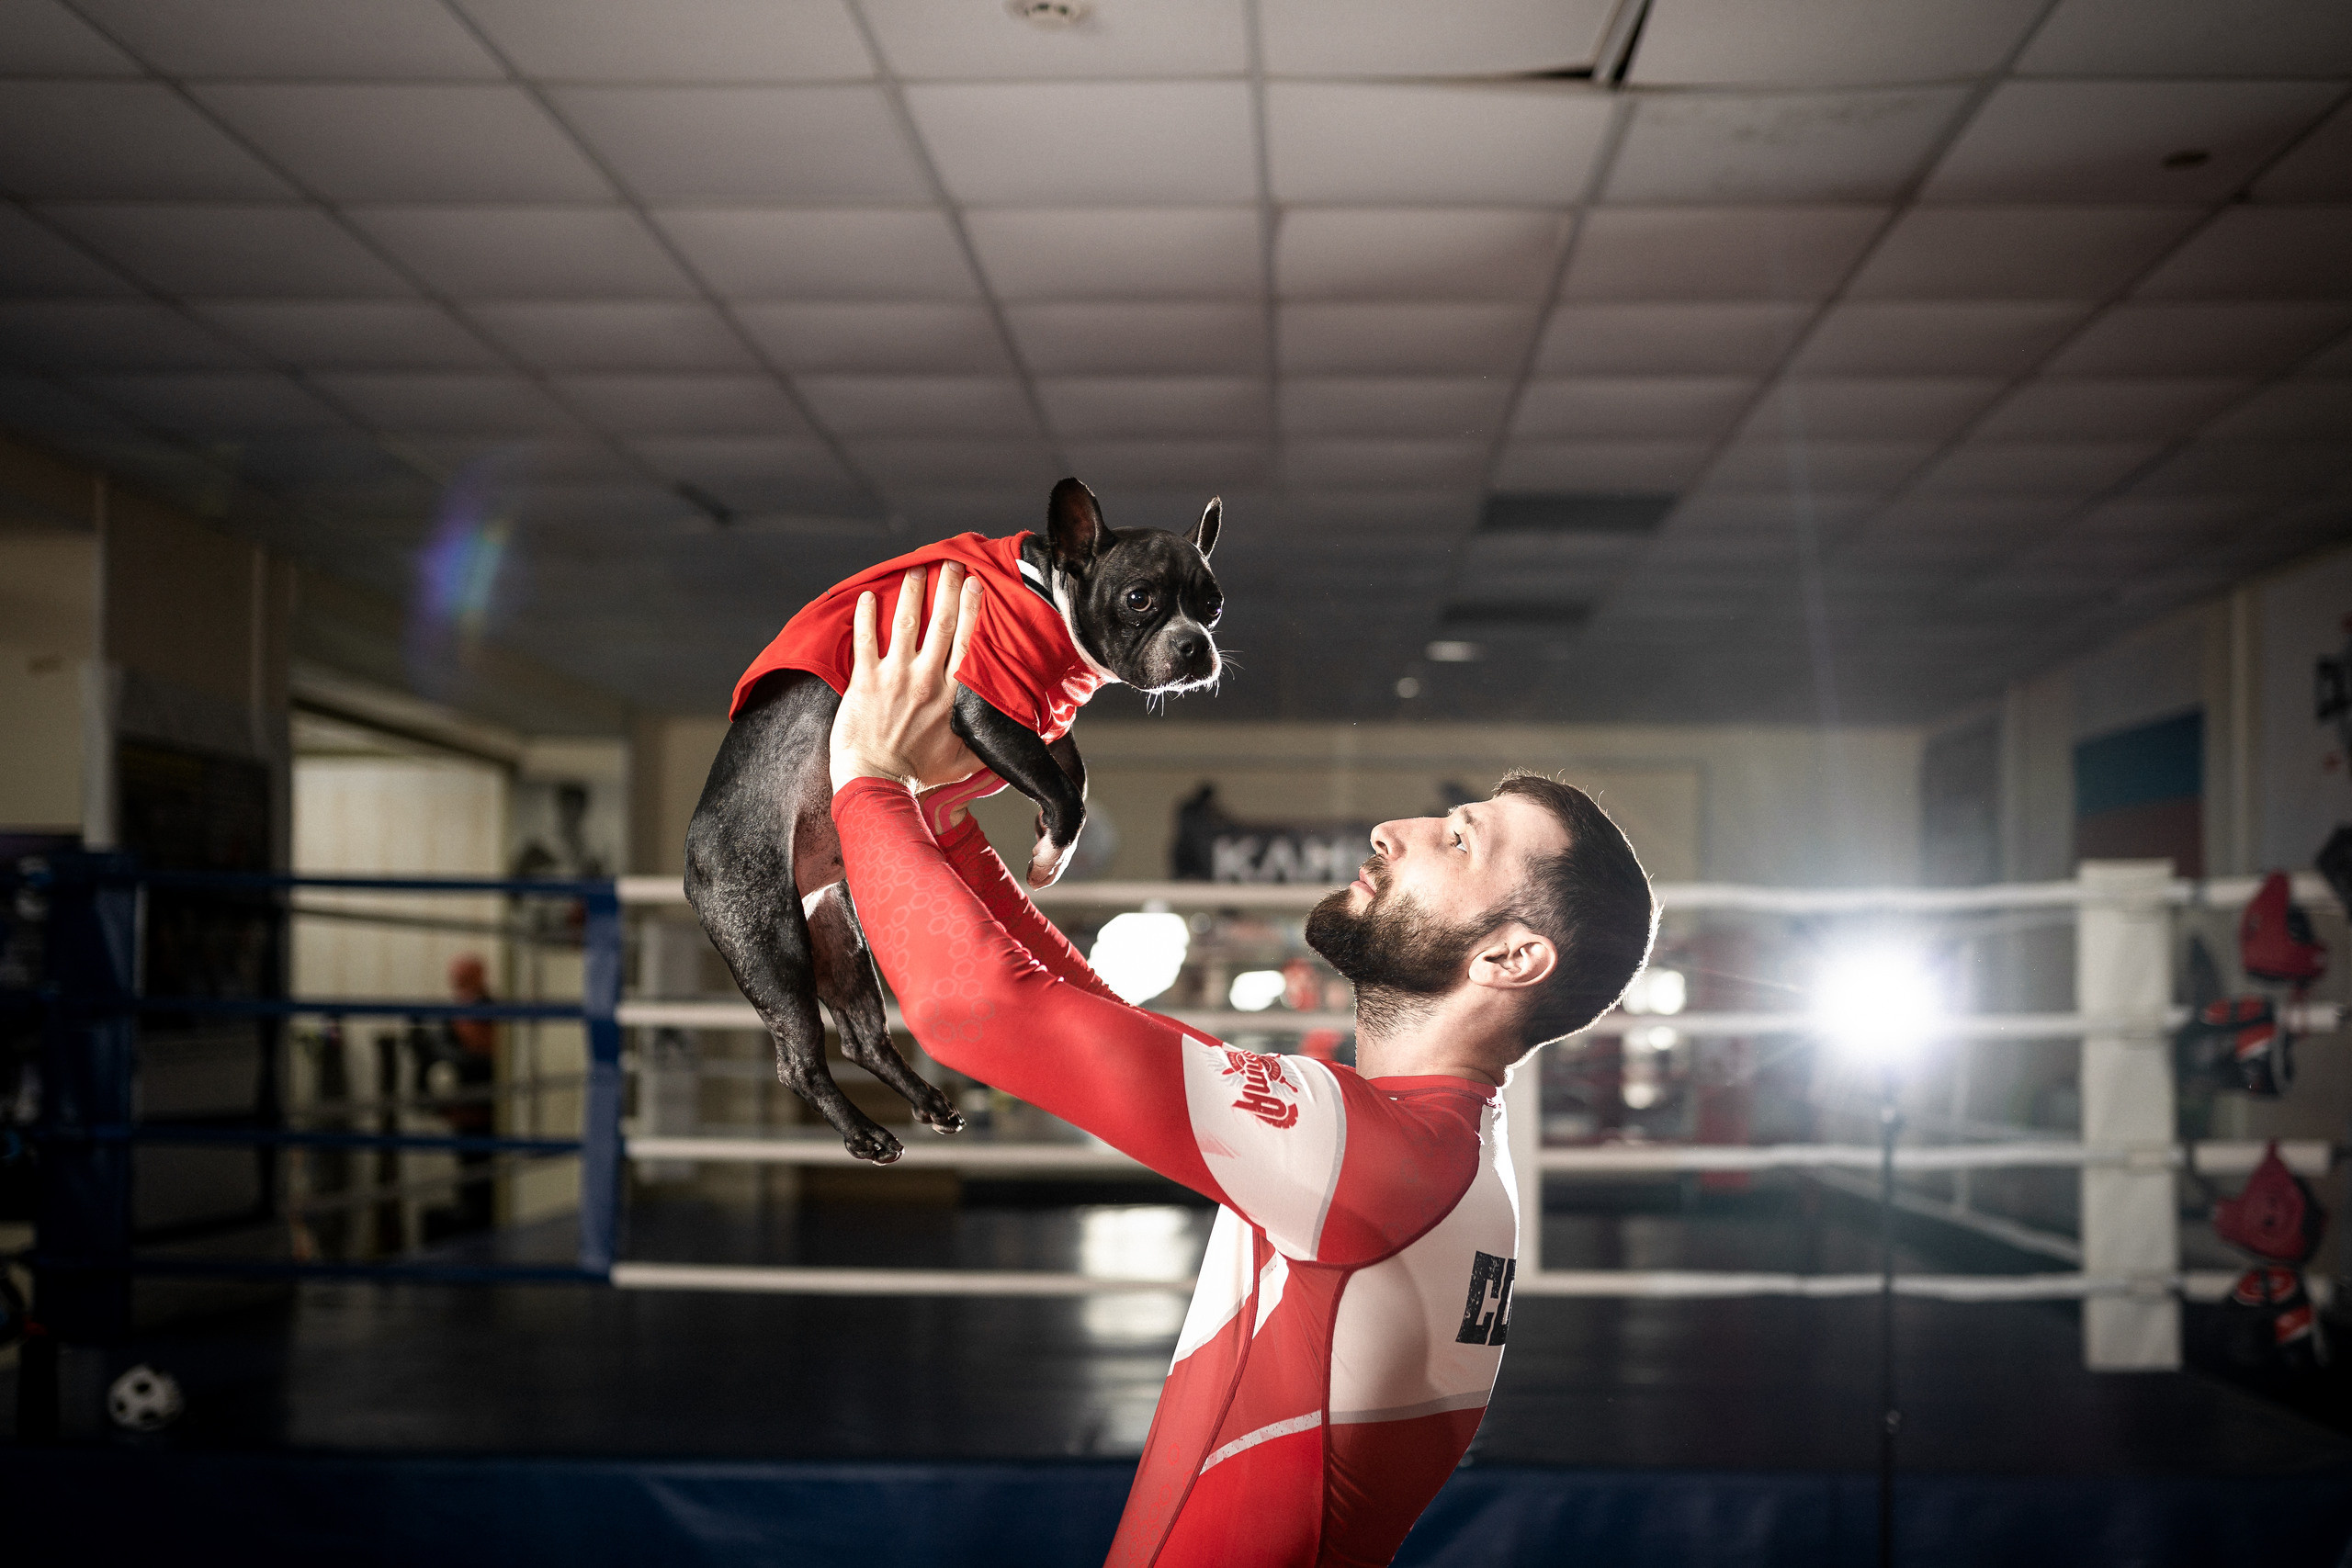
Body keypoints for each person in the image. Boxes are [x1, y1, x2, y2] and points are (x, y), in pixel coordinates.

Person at [828, 563, 1657, 1567]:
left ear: (1508, 958)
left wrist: (864, 781)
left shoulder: (1376, 1158)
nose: (1391, 829)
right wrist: (943, 821)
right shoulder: (1420, 1147)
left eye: (1455, 839)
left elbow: (975, 1012)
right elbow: (1085, 1019)